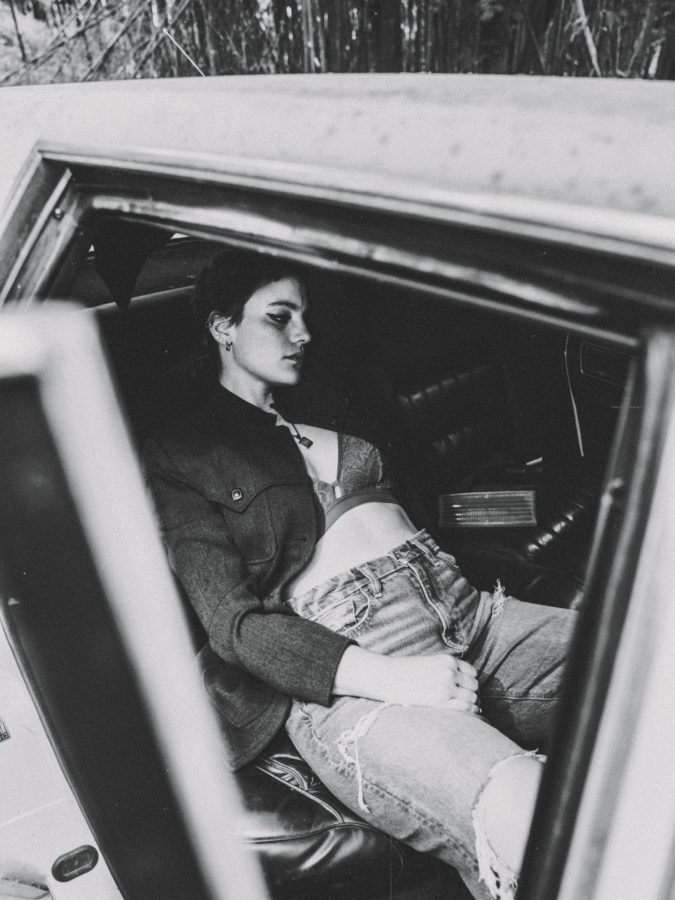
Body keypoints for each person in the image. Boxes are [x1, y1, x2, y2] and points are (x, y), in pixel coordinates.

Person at [142, 250, 577, 900]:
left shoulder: (338, 400)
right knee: (533, 815)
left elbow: (430, 509)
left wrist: (535, 518)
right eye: (278, 317)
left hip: (468, 610)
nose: (301, 334)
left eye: (305, 317)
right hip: (355, 663)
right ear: (222, 327)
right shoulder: (185, 450)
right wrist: (394, 678)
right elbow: (235, 625)